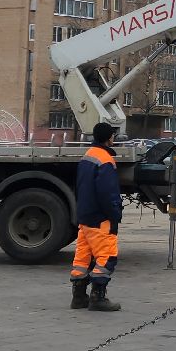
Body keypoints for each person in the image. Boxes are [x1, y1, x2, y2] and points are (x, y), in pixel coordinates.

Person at [71, 122, 122, 312]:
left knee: (82, 257)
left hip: (85, 215)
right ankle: (97, 297)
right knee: (107, 255)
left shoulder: (88, 156)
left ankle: (78, 297)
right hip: (100, 217)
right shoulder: (105, 160)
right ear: (110, 138)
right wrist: (115, 214)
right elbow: (108, 193)